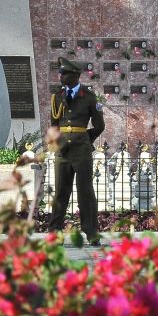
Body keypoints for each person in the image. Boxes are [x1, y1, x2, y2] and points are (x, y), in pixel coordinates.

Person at [49, 58, 105, 244]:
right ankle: (55, 231)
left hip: (81, 151)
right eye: (60, 73)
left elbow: (99, 125)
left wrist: (86, 139)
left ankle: (91, 232)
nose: (60, 76)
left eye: (64, 74)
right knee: (60, 192)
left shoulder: (88, 97)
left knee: (85, 192)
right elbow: (54, 125)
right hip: (63, 152)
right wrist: (57, 143)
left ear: (74, 76)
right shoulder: (57, 97)